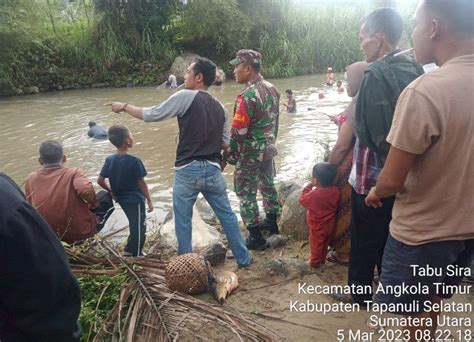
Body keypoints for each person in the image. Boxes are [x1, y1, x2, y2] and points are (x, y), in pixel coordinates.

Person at [365, 0, 474, 339]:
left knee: (417, 317)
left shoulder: (426, 91)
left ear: (433, 28)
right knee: (435, 299)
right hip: (467, 229)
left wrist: (375, 191)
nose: (412, 34)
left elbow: (394, 179)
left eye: (415, 25)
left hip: (423, 235)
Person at [105, 57, 251, 267]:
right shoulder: (222, 108)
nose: (185, 76)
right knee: (227, 216)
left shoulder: (185, 96)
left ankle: (187, 265)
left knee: (183, 221)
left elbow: (152, 114)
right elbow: (225, 145)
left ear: (199, 78)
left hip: (187, 170)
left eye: (189, 72)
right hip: (212, 169)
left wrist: (124, 106)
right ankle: (244, 259)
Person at [334, 7, 424, 305]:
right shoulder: (413, 68)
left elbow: (374, 135)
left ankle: (359, 293)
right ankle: (391, 290)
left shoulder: (375, 75)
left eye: (363, 38)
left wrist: (382, 183)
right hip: (405, 176)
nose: (361, 44)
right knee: (390, 237)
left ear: (379, 37)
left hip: (373, 178)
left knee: (364, 239)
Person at [0, 172, 82, 341]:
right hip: (72, 231)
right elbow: (51, 286)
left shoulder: (31, 178)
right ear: (64, 158)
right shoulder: (6, 202)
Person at [226, 49, 281, 250]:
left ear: (248, 69)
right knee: (267, 183)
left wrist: (230, 156)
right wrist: (271, 142)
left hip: (250, 152)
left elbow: (238, 132)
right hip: (268, 148)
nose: (234, 70)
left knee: (244, 191)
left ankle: (256, 237)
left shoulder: (247, 96)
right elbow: (275, 122)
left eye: (237, 66)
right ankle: (272, 221)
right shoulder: (272, 89)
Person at [25, 140, 114, 244]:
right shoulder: (73, 173)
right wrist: (93, 204)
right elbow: (85, 191)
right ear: (64, 158)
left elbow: (29, 204)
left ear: (40, 161)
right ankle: (89, 237)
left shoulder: (31, 178)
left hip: (49, 234)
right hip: (80, 233)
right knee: (104, 196)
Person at [327, 61, 368, 265]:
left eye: (349, 79)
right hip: (363, 166)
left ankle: (344, 253)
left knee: (345, 210)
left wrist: (329, 165)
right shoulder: (368, 98)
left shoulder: (355, 104)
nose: (346, 83)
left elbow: (342, 145)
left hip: (349, 166)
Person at [98, 125, 153, 257]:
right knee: (140, 227)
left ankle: (129, 248)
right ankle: (136, 254)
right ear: (127, 141)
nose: (133, 138)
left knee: (134, 223)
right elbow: (142, 183)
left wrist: (112, 191)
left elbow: (100, 180)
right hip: (136, 200)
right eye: (131, 136)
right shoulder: (134, 161)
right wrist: (150, 201)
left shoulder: (109, 160)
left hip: (122, 200)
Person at [299, 163, 340, 268]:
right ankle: (322, 259)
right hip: (330, 223)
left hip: (317, 226)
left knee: (316, 244)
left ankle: (314, 262)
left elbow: (302, 200)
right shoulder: (335, 190)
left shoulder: (314, 195)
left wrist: (309, 186)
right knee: (325, 242)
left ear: (316, 180)